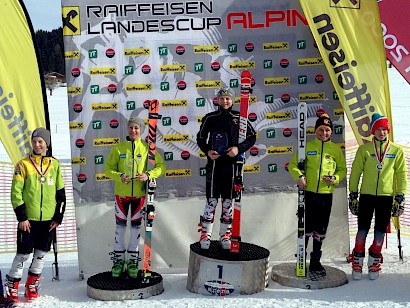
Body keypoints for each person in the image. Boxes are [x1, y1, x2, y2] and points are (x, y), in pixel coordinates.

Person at [6, 128, 66, 303]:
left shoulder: (54, 165)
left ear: (46, 143)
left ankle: (31, 285)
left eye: (40, 141)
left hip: (48, 221)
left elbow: (61, 193)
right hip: (29, 221)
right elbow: (15, 194)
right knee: (23, 255)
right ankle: (12, 289)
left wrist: (58, 218)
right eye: (34, 141)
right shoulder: (23, 165)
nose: (37, 145)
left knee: (40, 254)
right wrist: (22, 217)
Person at [348, 113, 407, 280]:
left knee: (380, 231)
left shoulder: (396, 151)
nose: (382, 133)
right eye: (379, 129)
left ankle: (374, 260)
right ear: (373, 131)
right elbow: (355, 173)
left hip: (386, 197)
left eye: (385, 129)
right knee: (362, 230)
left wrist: (400, 197)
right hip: (366, 196)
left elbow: (402, 175)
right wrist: (353, 195)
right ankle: (357, 260)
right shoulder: (364, 150)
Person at [105, 117, 166, 278]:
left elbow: (161, 167)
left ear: (141, 130)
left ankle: (132, 261)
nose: (133, 131)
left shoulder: (147, 149)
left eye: (137, 128)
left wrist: (148, 175)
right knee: (120, 228)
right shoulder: (118, 149)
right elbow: (107, 170)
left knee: (135, 229)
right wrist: (119, 176)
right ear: (127, 129)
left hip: (139, 195)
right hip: (122, 195)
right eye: (131, 128)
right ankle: (118, 261)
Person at [197, 87, 256, 250]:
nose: (225, 101)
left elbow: (252, 137)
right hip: (215, 165)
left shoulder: (240, 118)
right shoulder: (210, 118)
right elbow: (200, 138)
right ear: (217, 100)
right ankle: (205, 234)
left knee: (228, 202)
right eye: (222, 98)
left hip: (232, 166)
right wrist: (208, 151)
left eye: (228, 99)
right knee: (212, 201)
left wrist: (238, 149)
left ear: (233, 100)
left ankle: (225, 235)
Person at [288, 113, 347, 275]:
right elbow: (293, 164)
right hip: (309, 194)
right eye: (321, 130)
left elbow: (342, 169)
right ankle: (301, 260)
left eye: (327, 130)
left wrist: (335, 178)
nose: (324, 133)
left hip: (326, 195)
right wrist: (299, 176)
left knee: (321, 229)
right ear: (316, 131)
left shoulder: (335, 150)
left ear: (331, 132)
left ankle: (315, 261)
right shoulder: (307, 147)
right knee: (306, 227)